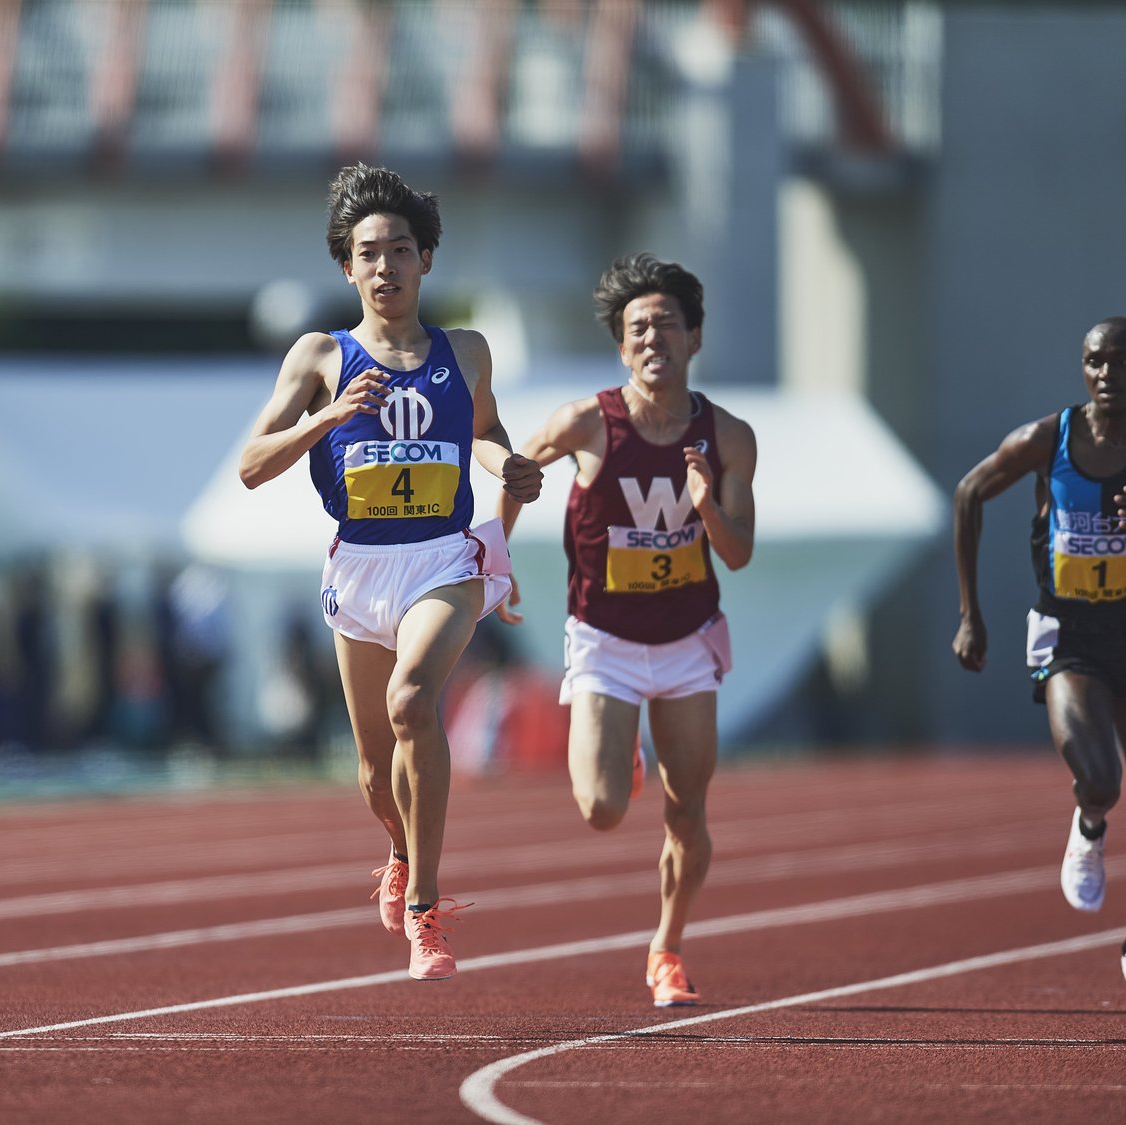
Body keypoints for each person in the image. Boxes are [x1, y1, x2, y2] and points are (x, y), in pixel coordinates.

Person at [238, 163, 542, 981]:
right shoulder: (318, 355)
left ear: (426, 260)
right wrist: (329, 416)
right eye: (369, 253)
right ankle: (400, 849)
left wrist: (507, 464)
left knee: (414, 701)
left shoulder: (465, 351)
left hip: (443, 556)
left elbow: (484, 435)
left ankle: (427, 911)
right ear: (348, 267)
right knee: (377, 770)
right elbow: (250, 464)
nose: (385, 267)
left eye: (400, 250)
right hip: (359, 564)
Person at [497, 253, 757, 1006]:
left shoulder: (729, 437)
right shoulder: (588, 421)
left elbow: (737, 553)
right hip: (606, 641)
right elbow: (516, 468)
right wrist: (496, 554)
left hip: (686, 641)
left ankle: (667, 947)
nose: (653, 339)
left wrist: (706, 506)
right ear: (621, 346)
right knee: (603, 808)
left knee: (689, 808)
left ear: (695, 338)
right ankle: (620, 756)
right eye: (638, 328)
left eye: (666, 325)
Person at [952, 316, 1126, 1010]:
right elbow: (970, 492)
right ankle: (1089, 823)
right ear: (1082, 367)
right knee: (1099, 779)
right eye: (1095, 361)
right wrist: (972, 614)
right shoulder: (1049, 439)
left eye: (1122, 361)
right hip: (1072, 630)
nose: (1106, 373)